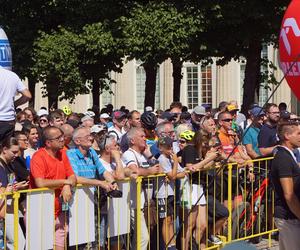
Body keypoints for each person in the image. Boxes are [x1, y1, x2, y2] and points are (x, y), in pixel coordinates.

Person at [30, 126, 77, 250]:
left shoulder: (62, 153)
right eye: (58, 138)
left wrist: (67, 185)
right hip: (41, 211)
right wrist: (64, 182)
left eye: (62, 136)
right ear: (48, 142)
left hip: (59, 210)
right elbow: (40, 182)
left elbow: (72, 176)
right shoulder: (38, 156)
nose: (62, 139)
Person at [121, 127, 161, 250]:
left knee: (139, 238)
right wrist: (149, 171)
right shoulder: (129, 154)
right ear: (132, 140)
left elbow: (159, 168)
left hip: (144, 203)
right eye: (141, 136)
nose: (145, 138)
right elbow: (134, 170)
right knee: (143, 238)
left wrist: (149, 155)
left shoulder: (143, 155)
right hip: (134, 203)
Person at [271, 121, 300, 250]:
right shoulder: (283, 158)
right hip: (288, 217)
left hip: (293, 216)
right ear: (287, 136)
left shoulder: (289, 155)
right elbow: (289, 194)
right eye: (298, 133)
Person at [155, 136, 185, 250]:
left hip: (171, 192)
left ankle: (172, 243)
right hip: (162, 194)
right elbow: (173, 175)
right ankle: (168, 245)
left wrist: (173, 174)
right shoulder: (162, 158)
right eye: (166, 147)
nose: (169, 148)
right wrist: (176, 164)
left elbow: (183, 173)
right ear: (160, 148)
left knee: (171, 219)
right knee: (166, 220)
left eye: (170, 146)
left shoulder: (171, 158)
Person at [0, 137, 29, 250]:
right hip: (4, 209)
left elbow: (10, 186)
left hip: (11, 209)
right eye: (14, 152)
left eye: (17, 152)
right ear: (5, 149)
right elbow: (4, 189)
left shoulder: (10, 164)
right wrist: (10, 190)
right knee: (18, 244)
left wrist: (17, 187)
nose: (16, 155)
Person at [0, 67, 32, 143]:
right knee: (6, 150)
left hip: (7, 120)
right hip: (8, 120)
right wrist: (14, 104)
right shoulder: (12, 75)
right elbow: (27, 95)